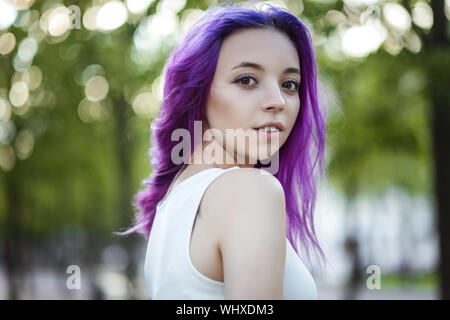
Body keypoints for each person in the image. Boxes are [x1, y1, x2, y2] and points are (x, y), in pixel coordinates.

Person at [116, 2, 328, 299]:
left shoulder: (171, 204)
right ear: (197, 92)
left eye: (289, 84)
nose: (277, 100)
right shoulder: (251, 190)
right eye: (246, 80)